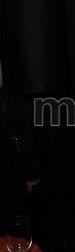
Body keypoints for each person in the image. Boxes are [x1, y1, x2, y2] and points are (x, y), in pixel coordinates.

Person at [0, 86, 42, 234]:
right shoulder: (10, 97)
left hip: (10, 188)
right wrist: (31, 177)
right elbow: (28, 141)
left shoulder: (10, 98)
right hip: (9, 189)